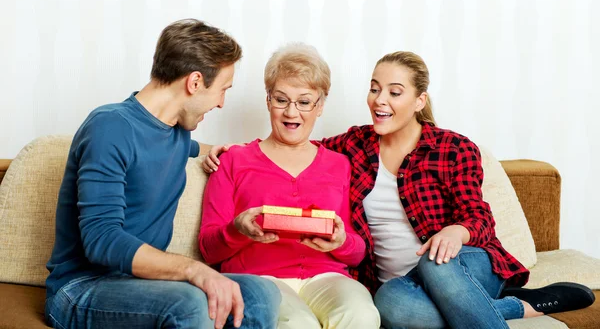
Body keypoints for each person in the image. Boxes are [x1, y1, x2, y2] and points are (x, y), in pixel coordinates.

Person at [203, 51, 595, 329]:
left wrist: (455, 231)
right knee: (393, 307)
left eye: (394, 91)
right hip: (399, 285)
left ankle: (488, 303)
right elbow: (294, 148)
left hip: (460, 263)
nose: (380, 100)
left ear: (418, 100)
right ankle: (513, 308)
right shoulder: (350, 147)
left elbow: (479, 218)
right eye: (375, 89)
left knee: (434, 263)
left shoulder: (452, 147)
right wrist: (217, 151)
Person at [45, 19, 281, 329]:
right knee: (188, 305)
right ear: (194, 82)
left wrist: (229, 152)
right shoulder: (110, 127)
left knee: (261, 292)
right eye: (222, 90)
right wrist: (194, 270)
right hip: (81, 288)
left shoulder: (177, 132)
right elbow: (101, 239)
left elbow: (188, 148)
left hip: (141, 285)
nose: (222, 103)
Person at [198, 43, 380, 329]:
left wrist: (341, 241)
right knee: (298, 325)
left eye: (304, 102)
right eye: (281, 100)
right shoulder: (232, 160)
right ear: (268, 101)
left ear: (320, 106)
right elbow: (208, 249)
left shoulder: (340, 164)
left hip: (327, 278)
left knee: (363, 315)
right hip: (261, 279)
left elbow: (358, 253)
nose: (291, 112)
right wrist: (238, 229)